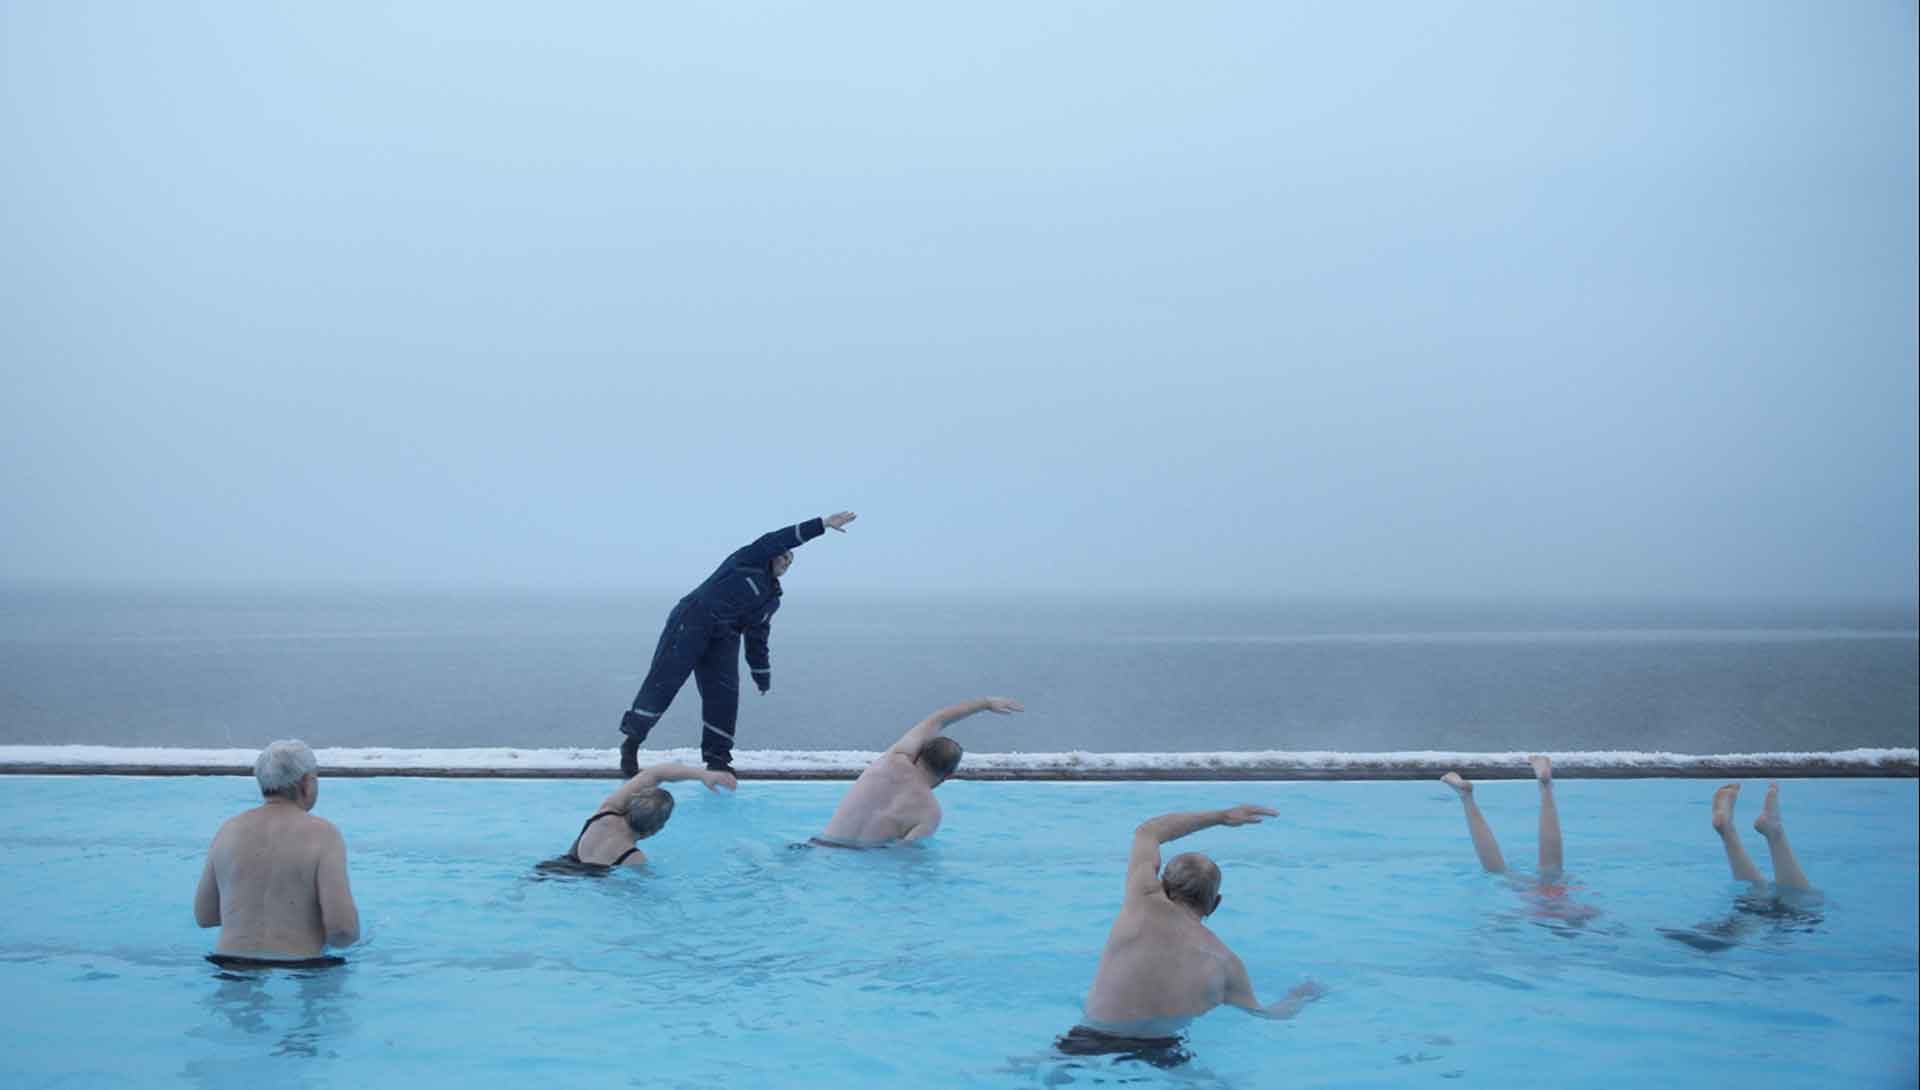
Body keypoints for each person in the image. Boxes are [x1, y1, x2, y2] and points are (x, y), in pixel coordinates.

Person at [1061, 805, 1324, 1068]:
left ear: (1163, 885)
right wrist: (1301, 995)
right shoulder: (1227, 965)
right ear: (1215, 903)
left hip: (1091, 1038)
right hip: (1161, 1052)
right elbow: (1267, 1016)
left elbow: (1148, 831)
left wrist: (1221, 817)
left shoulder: (1141, 899)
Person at [619, 511, 858, 776]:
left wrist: (761, 676)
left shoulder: (772, 598)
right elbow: (777, 538)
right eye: (784, 556)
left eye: (791, 561)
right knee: (665, 681)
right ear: (774, 554)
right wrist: (822, 525)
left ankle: (717, 760)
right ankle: (632, 743)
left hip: (725, 637)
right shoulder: (749, 559)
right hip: (693, 620)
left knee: (724, 696)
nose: (787, 562)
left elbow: (758, 638)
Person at [193, 740, 360, 969]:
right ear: (306, 782)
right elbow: (343, 929)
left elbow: (205, 916)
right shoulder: (323, 834)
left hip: (229, 964)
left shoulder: (228, 830)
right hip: (301, 967)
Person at [812, 696, 1023, 847]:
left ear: (919, 754)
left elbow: (939, 719)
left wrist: (985, 703)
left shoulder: (892, 760)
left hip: (817, 848)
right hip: (861, 865)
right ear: (948, 776)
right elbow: (905, 856)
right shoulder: (930, 814)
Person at [1659, 782, 1821, 952]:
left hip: (1722, 933)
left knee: (1774, 903)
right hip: (1723, 932)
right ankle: (1750, 832)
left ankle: (1755, 832)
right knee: (1798, 907)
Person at [1440, 755, 1599, 927]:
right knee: (1497, 870)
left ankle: (1545, 787)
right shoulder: (1541, 915)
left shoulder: (1576, 913)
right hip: (1540, 900)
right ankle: (1467, 798)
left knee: (1552, 867)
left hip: (1558, 893)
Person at [536, 762, 737, 876]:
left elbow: (655, 773)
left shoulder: (606, 812)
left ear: (631, 804)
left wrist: (702, 774)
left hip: (551, 871)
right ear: (655, 831)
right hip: (589, 889)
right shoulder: (633, 858)